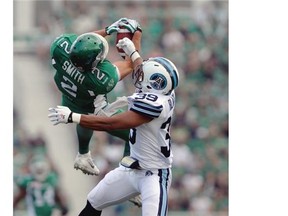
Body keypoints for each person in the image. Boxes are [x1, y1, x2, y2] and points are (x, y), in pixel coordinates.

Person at [48, 36, 179, 215]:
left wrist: (75, 117)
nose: (138, 76)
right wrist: (133, 52)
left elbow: (112, 123)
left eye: (143, 76)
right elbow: (140, 70)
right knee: (94, 201)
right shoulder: (162, 91)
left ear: (152, 83)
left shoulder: (155, 105)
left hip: (154, 175)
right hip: (130, 171)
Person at [49, 18, 142, 176]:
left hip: (69, 98)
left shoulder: (60, 46)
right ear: (94, 64)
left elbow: (82, 42)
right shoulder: (101, 78)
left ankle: (83, 154)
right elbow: (131, 64)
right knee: (136, 133)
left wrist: (106, 30)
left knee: (82, 115)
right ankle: (129, 175)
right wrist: (136, 37)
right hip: (94, 108)